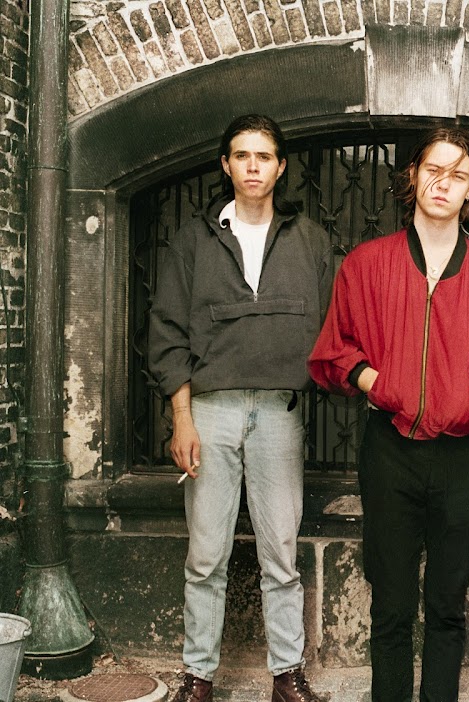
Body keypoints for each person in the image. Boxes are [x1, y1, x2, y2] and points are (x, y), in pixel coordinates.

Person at [307, 128, 469, 702]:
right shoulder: (367, 264)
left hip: (465, 457)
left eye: (458, 175)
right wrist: (379, 383)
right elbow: (335, 351)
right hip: (391, 452)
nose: (444, 183)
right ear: (412, 176)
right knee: (390, 606)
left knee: (446, 605)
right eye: (434, 170)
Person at [149, 114, 332, 702]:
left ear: (281, 167)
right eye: (242, 156)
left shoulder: (309, 240)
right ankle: (198, 676)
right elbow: (168, 331)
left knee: (282, 552)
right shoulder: (194, 240)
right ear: (226, 165)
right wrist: (182, 417)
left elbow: (334, 325)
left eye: (264, 156)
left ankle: (287, 676)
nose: (253, 166)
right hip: (210, 411)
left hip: (279, 411)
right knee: (206, 555)